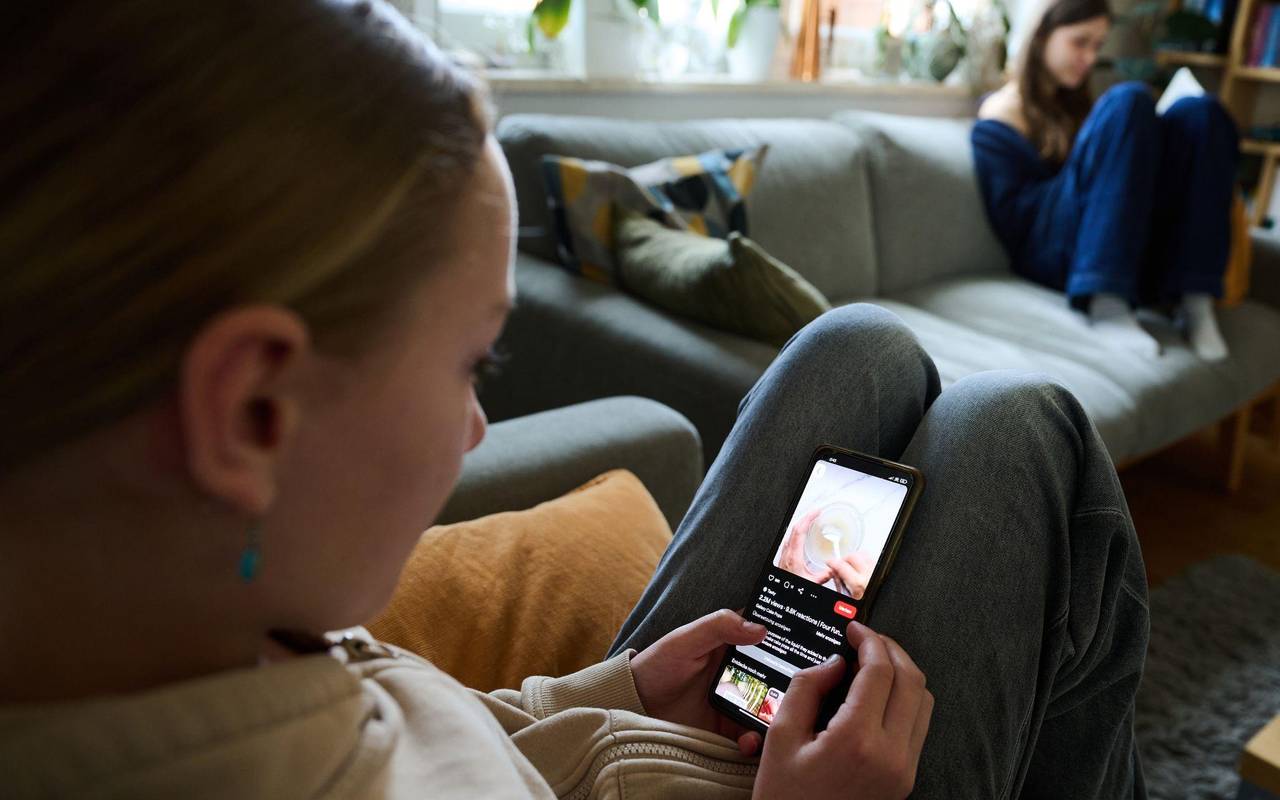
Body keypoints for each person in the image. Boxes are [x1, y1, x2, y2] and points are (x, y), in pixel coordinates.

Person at [0, 1, 1150, 797]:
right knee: (1017, 428)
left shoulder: (207, 611)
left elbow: (414, 718)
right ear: (254, 413)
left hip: (609, 739)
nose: (477, 427)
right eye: (470, 363)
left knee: (854, 345)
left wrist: (611, 686)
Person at [972, 0, 1240, 361]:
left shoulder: (1076, 107)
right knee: (1129, 99)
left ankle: (1195, 298)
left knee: (1202, 113)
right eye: (1079, 42)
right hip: (1046, 248)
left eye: (1097, 46)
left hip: (1097, 237)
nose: (1089, 57)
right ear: (1041, 36)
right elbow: (1017, 221)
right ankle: (1107, 302)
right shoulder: (1001, 111)